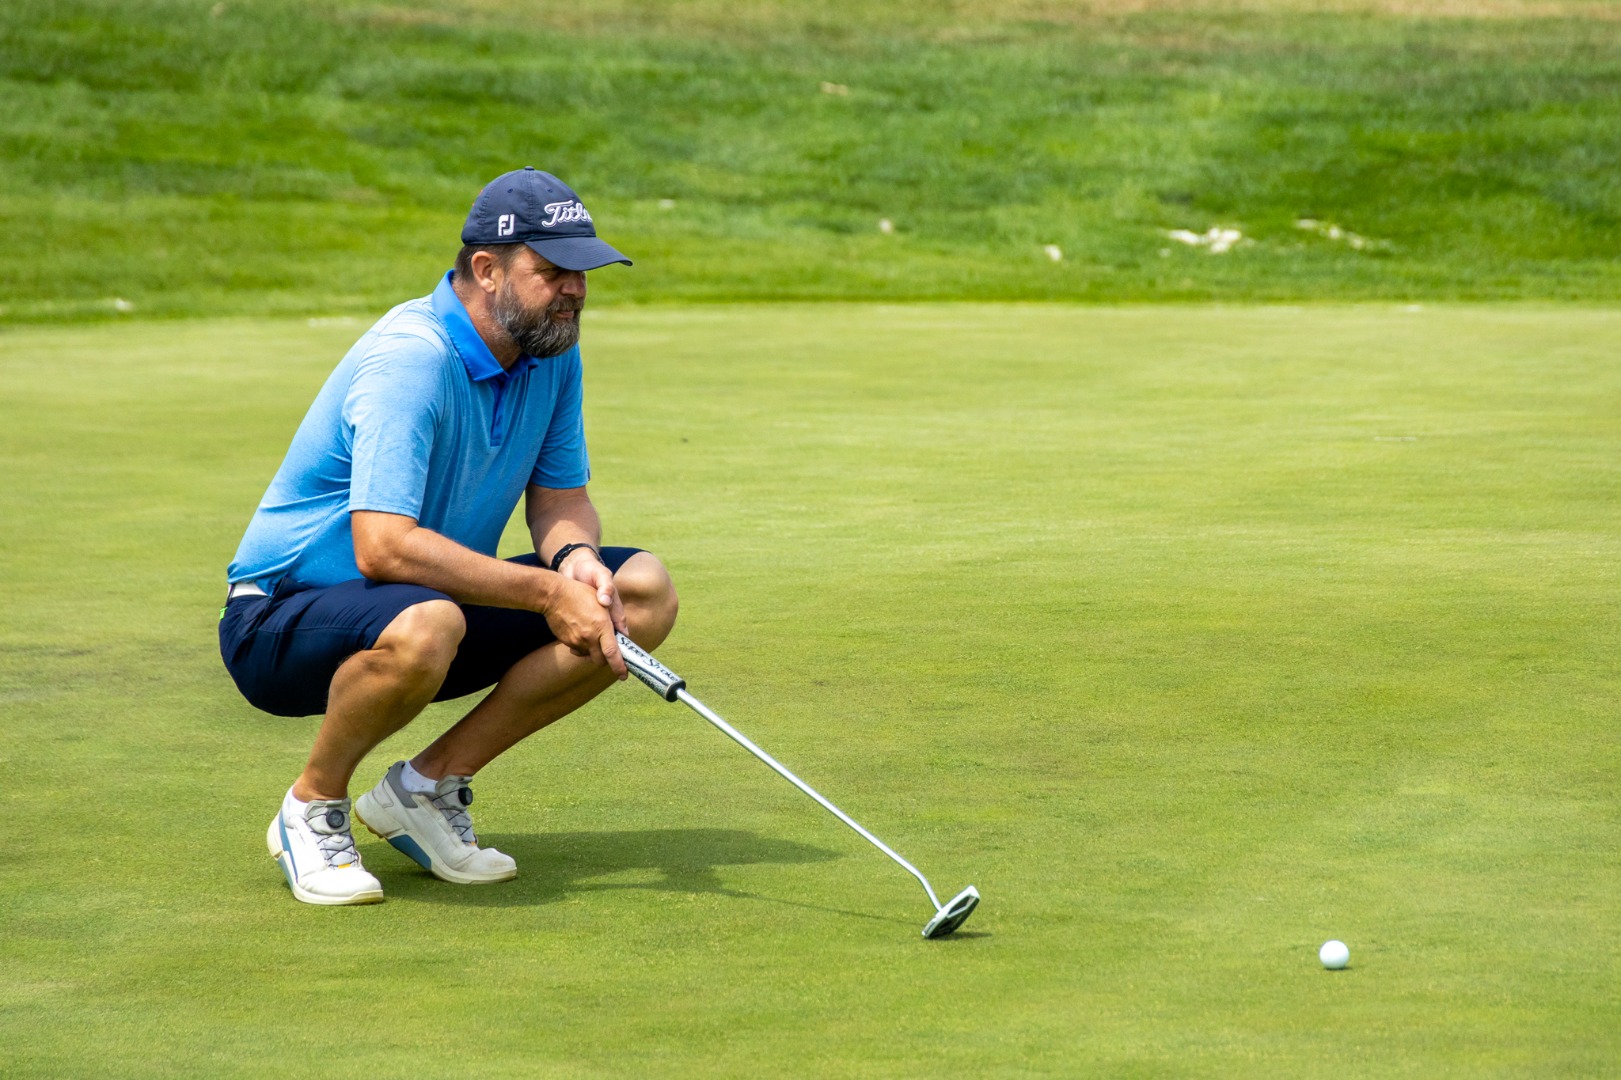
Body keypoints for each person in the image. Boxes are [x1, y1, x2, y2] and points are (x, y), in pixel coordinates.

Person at [219, 167, 678, 906]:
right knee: (429, 622)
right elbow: (381, 547)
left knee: (639, 593)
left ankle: (424, 790)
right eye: (552, 271)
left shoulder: (550, 353)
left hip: (429, 606)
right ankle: (311, 808)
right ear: (487, 269)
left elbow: (560, 498)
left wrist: (577, 562)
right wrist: (545, 593)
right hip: (281, 619)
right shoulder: (413, 357)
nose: (575, 289)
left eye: (583, 272)